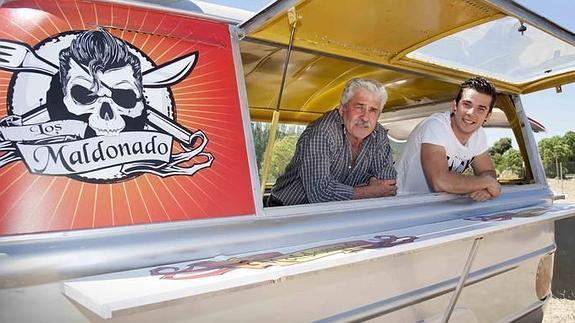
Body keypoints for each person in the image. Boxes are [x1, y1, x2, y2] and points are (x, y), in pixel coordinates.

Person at [267, 78, 397, 206]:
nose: (365, 117)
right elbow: (320, 194)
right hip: (287, 211)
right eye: (359, 107)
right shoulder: (323, 131)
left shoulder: (379, 135)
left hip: (336, 211)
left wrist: (371, 190)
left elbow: (387, 186)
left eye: (373, 110)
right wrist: (370, 190)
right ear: (342, 108)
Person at [396, 76, 501, 201]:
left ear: (487, 116)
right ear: (455, 106)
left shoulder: (479, 135)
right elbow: (439, 182)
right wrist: (487, 183)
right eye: (467, 104)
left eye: (481, 109)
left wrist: (485, 189)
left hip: (438, 205)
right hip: (403, 203)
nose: (471, 113)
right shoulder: (435, 126)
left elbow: (488, 171)